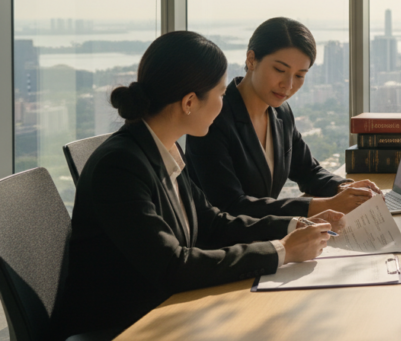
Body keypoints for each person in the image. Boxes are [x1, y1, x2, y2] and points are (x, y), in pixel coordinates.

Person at [60, 31, 343, 336]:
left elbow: (211, 223)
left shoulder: (164, 148)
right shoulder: (120, 166)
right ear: (190, 102)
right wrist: (282, 251)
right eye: (221, 94)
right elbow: (172, 267)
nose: (224, 104)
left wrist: (293, 226)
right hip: (129, 325)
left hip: (169, 310)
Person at [186, 17, 380, 219]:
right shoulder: (213, 118)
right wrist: (324, 206)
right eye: (279, 70)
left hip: (267, 235)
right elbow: (231, 205)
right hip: (223, 244)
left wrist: (344, 187)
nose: (288, 85)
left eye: (299, 75)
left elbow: (308, 171)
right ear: (251, 60)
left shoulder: (281, 113)